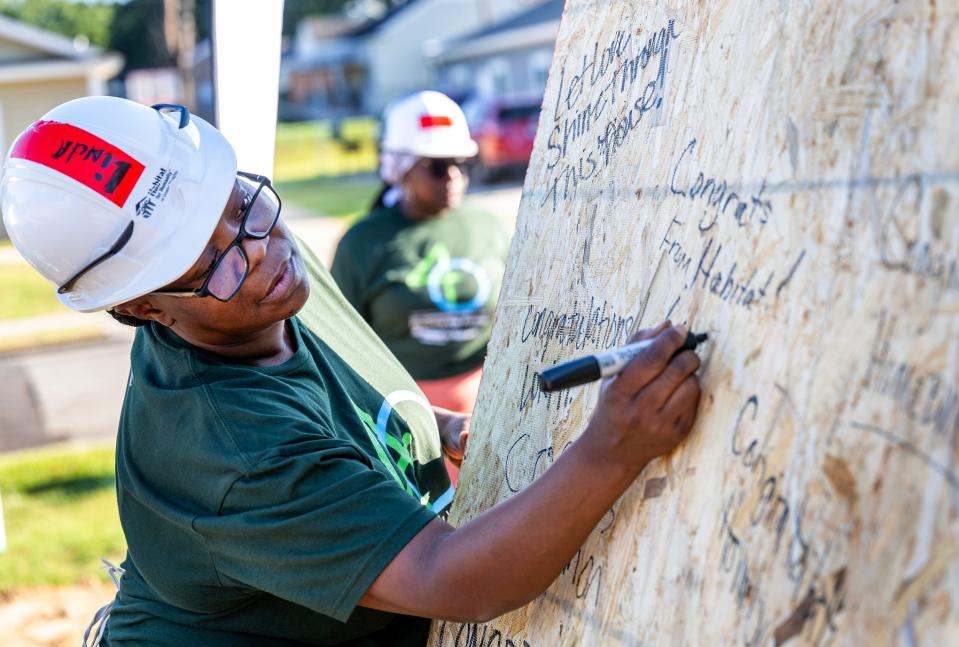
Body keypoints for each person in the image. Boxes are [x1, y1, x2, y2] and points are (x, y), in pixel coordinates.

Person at [1, 96, 702, 647]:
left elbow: (339, 401)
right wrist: (615, 445)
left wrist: (433, 427)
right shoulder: (231, 450)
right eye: (210, 262)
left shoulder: (265, 273)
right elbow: (454, 577)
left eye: (242, 204)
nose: (260, 251)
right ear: (143, 305)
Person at [332, 91, 510, 422]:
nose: (454, 177)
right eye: (438, 167)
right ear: (401, 169)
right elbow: (342, 342)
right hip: (404, 415)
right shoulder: (362, 242)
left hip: (490, 406)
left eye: (461, 164)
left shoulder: (489, 228)